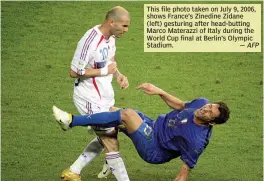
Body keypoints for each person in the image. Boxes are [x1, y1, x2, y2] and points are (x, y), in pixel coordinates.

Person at [53, 83, 230, 181]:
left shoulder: (197, 141)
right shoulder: (202, 103)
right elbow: (182, 105)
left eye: (209, 113)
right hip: (152, 125)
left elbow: (183, 174)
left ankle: (72, 121)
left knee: (126, 115)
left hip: (154, 149)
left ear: (212, 123)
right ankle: (79, 168)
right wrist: (160, 91)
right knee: (111, 113)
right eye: (209, 106)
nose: (204, 109)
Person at [63, 6, 131, 181]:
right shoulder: (90, 40)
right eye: (124, 26)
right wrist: (104, 72)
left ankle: (74, 170)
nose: (126, 30)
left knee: (109, 133)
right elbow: (73, 71)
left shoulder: (111, 38)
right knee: (110, 140)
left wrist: (118, 75)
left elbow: (110, 61)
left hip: (105, 95)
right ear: (111, 21)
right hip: (88, 98)